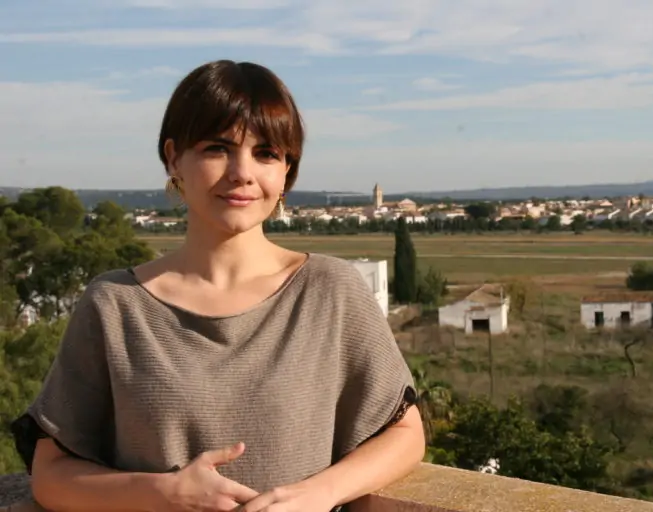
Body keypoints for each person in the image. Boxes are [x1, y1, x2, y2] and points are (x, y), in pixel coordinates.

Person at [11, 60, 424, 512]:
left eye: (266, 153)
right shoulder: (116, 305)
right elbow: (50, 474)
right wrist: (162, 494)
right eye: (217, 148)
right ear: (173, 158)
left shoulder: (330, 291)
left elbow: (404, 435)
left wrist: (317, 494)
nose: (241, 172)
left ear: (287, 171)